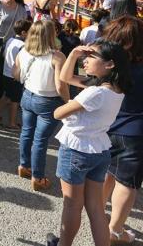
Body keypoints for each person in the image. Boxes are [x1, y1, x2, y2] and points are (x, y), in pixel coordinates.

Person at [46, 40, 132, 246]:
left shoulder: (95, 92)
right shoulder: (115, 89)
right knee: (95, 208)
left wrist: (73, 105)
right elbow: (65, 77)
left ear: (110, 64)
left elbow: (58, 113)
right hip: (98, 149)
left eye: (91, 56)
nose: (85, 59)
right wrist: (74, 54)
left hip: (77, 149)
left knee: (72, 206)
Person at [101, 16, 143, 244]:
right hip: (135, 132)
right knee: (127, 183)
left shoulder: (109, 66)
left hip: (107, 126)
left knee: (106, 174)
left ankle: (98, 216)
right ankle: (114, 230)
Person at [13, 20, 69, 191]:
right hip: (48, 101)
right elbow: (60, 86)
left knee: (26, 132)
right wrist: (69, 102)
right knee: (40, 140)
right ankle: (38, 177)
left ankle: (24, 166)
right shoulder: (57, 56)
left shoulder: (23, 51)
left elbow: (15, 74)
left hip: (27, 95)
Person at [0, 19, 32, 129]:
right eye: (30, 31)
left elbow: (4, 54)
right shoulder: (23, 45)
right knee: (15, 100)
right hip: (15, 76)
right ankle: (12, 122)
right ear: (24, 33)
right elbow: (24, 62)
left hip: (6, 72)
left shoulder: (10, 40)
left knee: (8, 95)